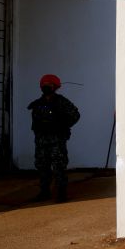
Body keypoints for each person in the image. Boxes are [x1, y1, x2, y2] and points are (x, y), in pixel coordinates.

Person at [27, 74, 80, 202]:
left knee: (59, 167)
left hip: (56, 141)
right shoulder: (37, 104)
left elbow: (75, 115)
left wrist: (62, 126)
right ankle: (44, 192)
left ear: (55, 86)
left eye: (49, 84)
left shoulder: (61, 102)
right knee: (42, 167)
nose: (46, 86)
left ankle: (61, 194)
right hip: (41, 142)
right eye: (44, 84)